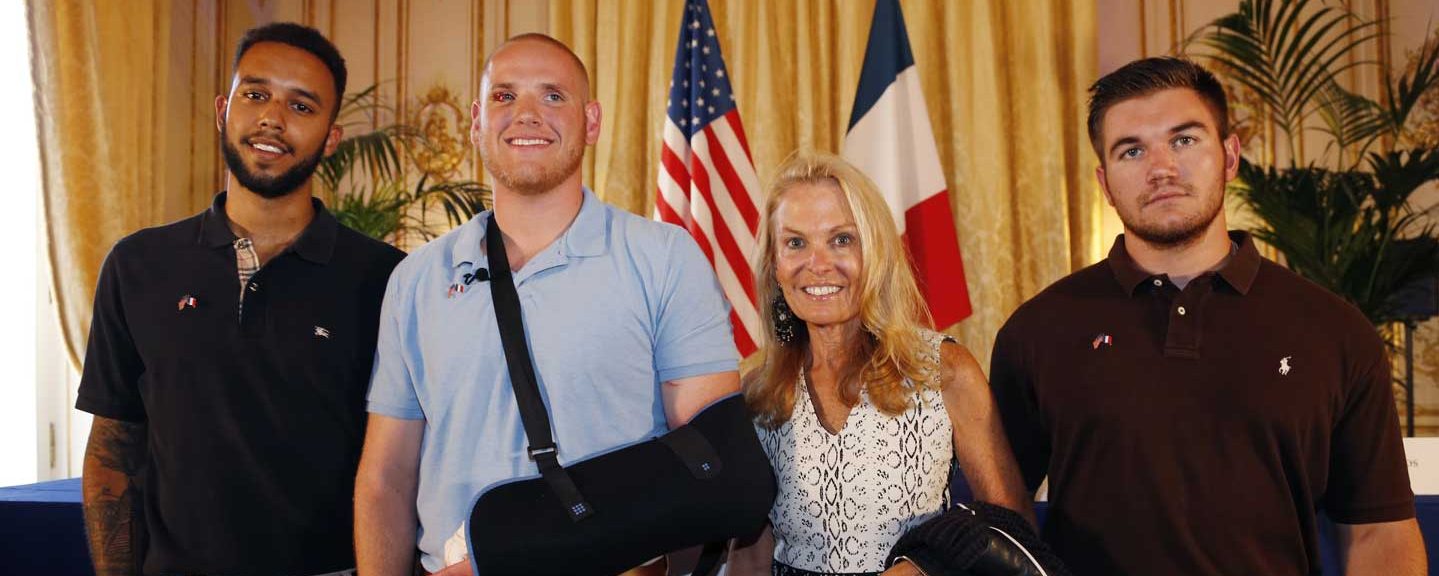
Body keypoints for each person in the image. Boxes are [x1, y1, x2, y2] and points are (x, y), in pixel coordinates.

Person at [989, 56, 1427, 576]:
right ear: (1105, 184)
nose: (1162, 169)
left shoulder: (1335, 331)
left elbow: (1379, 532)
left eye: (1184, 140)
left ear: (1230, 155)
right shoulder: (1037, 331)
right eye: (1132, 150)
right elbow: (1001, 523)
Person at [354, 33, 741, 576]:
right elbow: (386, 478)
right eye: (505, 97)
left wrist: (521, 551)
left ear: (592, 122)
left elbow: (712, 461)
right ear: (475, 122)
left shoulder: (664, 259)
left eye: (553, 96)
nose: (527, 115)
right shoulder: (415, 280)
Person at [76, 22, 404, 576]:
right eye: (256, 95)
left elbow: (401, 466)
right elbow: (113, 452)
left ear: (331, 137)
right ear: (224, 109)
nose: (272, 118)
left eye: (301, 107)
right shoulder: (138, 265)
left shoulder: (387, 279)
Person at [743, 152, 1034, 576]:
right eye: (795, 243)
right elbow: (752, 547)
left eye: (842, 239)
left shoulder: (943, 368)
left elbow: (1012, 528)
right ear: (774, 264)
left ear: (875, 251)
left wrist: (921, 567)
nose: (818, 264)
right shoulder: (758, 390)